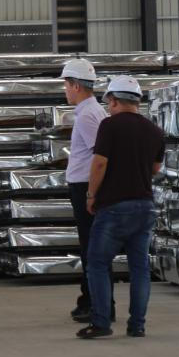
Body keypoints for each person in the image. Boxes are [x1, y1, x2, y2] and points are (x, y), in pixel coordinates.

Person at [78, 76, 164, 339]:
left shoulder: (109, 125)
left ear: (113, 100)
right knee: (139, 269)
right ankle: (137, 325)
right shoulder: (154, 130)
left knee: (98, 263)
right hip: (145, 206)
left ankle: (101, 322)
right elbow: (156, 168)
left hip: (114, 206)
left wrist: (91, 195)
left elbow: (100, 163)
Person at [60, 58, 113, 323]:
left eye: (66, 85)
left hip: (86, 188)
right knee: (92, 246)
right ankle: (91, 299)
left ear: (76, 86)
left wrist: (92, 193)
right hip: (84, 186)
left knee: (92, 247)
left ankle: (97, 302)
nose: (65, 90)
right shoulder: (89, 112)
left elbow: (100, 156)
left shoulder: (89, 115)